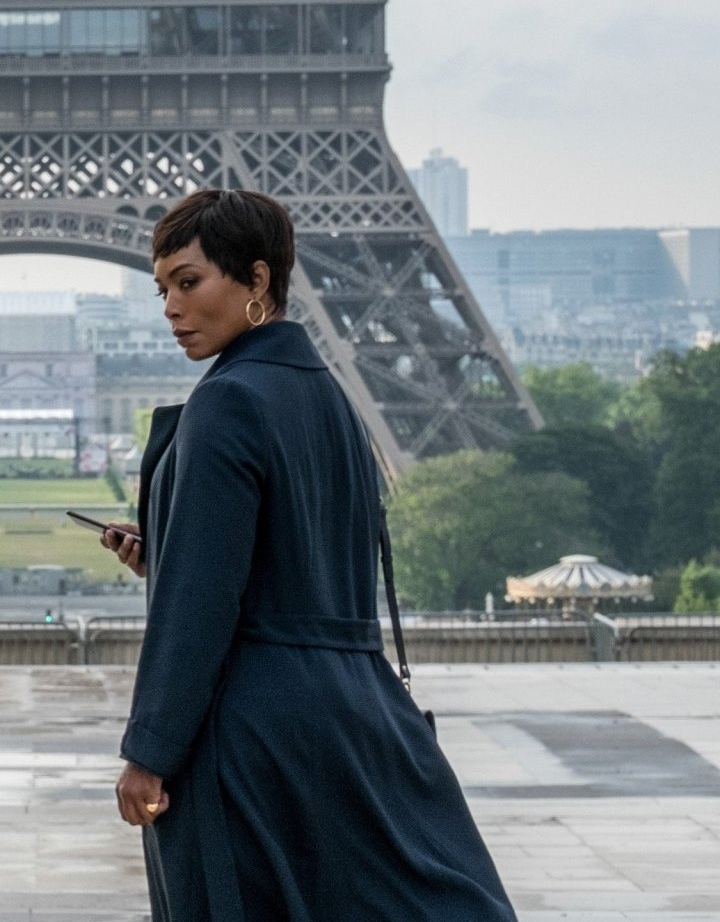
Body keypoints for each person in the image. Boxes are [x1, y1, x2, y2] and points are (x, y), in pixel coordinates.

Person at [99, 189, 516, 920]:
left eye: (189, 282)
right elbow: (307, 552)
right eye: (162, 287)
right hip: (355, 714)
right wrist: (171, 550)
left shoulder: (226, 401)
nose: (170, 306)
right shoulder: (332, 399)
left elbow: (200, 605)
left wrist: (150, 751)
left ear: (257, 281)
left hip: (253, 729)